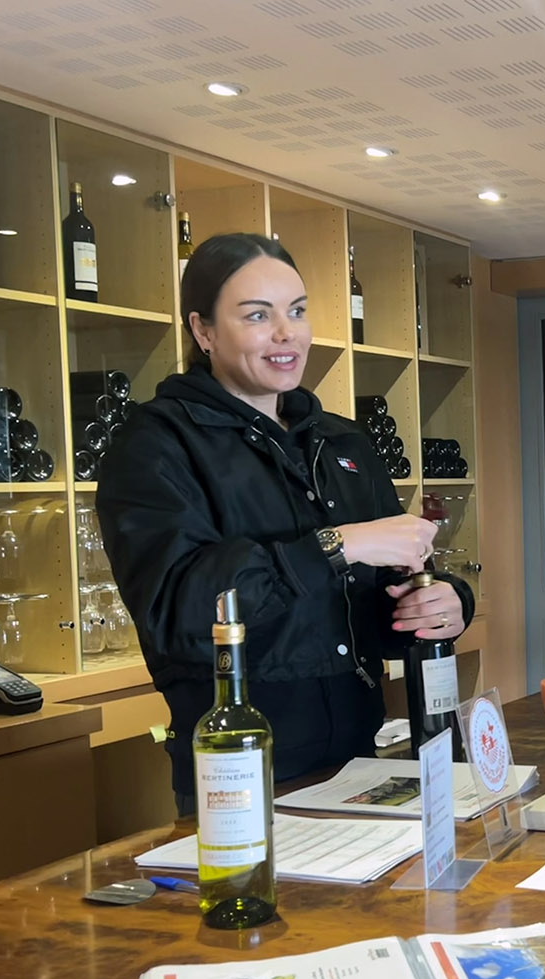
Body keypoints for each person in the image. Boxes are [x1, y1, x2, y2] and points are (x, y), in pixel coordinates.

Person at [97, 233, 474, 814]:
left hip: (361, 762)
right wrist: (337, 544)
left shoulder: (342, 442)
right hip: (241, 773)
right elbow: (180, 613)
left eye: (297, 311)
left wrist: (442, 603)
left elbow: (375, 611)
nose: (286, 333)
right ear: (203, 331)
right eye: (257, 316)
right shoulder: (156, 445)